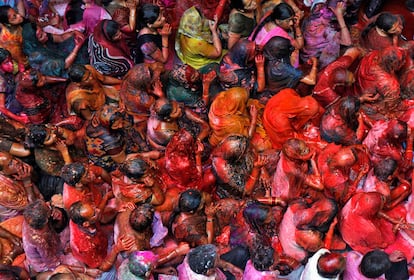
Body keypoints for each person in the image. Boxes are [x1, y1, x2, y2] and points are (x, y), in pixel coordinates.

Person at [68, 200, 135, 270]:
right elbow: (102, 267)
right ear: (86, 224)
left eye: (93, 206)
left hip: (101, 241)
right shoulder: (84, 247)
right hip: (95, 260)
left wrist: (116, 209)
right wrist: (116, 249)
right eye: (94, 214)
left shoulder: (79, 217)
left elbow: (100, 216)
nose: (98, 210)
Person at [258, 36, 318, 102]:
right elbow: (311, 81)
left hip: (268, 89)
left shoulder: (264, 55)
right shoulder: (281, 67)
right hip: (278, 96)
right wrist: (315, 63)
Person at [278, 197, 338, 262]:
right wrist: (331, 228)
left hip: (282, 237)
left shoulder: (295, 206)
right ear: (324, 220)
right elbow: (324, 253)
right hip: (294, 256)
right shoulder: (309, 237)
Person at [300, 0, 352, 69]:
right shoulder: (325, 28)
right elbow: (347, 42)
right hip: (314, 60)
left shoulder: (317, 11)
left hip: (306, 53)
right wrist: (339, 16)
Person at [249, 3, 303, 67]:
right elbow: (299, 45)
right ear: (277, 21)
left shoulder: (269, 14)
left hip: (250, 48)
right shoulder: (280, 33)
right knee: (295, 51)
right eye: (288, 21)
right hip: (258, 59)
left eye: (292, 19)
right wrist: (297, 27)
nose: (291, 23)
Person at [175, 6, 224, 71]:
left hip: (190, 56)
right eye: (201, 18)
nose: (203, 16)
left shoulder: (184, 28)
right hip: (198, 64)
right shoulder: (197, 43)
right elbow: (217, 53)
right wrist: (214, 31)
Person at [85, 104, 128, 172]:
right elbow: (121, 160)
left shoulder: (96, 119)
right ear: (106, 124)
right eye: (116, 125)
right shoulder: (110, 139)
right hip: (106, 163)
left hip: (95, 150)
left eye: (121, 121)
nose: (120, 126)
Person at [133, 4, 172, 75]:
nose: (163, 18)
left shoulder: (151, 28)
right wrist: (165, 37)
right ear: (149, 24)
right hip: (154, 64)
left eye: (162, 15)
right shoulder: (147, 44)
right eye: (159, 19)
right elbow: (164, 59)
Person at [0, 48, 27, 124]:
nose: (11, 64)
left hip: (11, 100)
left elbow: (13, 83)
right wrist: (19, 119)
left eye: (11, 61)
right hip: (5, 110)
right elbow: (1, 108)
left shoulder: (7, 73)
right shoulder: (1, 81)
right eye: (6, 63)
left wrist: (21, 72)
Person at [0, 6, 27, 71]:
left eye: (17, 12)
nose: (19, 15)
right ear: (8, 24)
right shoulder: (10, 40)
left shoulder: (15, 25)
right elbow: (20, 60)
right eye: (14, 17)